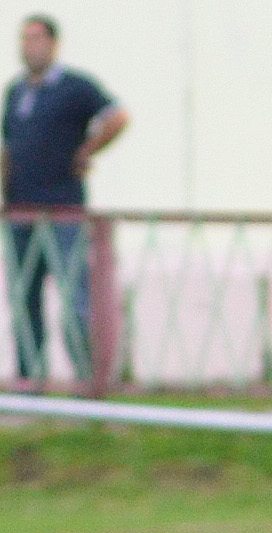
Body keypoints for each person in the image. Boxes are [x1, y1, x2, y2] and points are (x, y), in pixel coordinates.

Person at [1, 13, 126, 384]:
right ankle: (30, 380)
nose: (28, 47)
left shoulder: (74, 87)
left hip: (62, 209)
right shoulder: (16, 92)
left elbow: (116, 116)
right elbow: (8, 147)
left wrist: (88, 150)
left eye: (36, 39)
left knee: (75, 297)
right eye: (24, 39)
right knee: (24, 298)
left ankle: (87, 380)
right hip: (20, 210)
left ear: (53, 44)